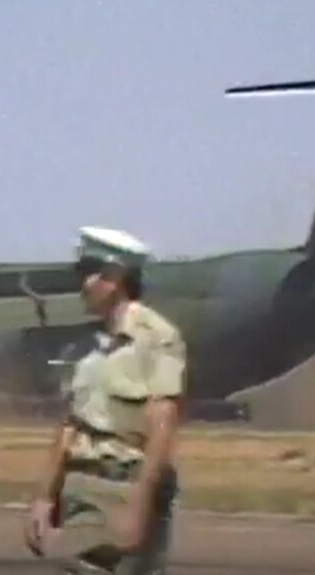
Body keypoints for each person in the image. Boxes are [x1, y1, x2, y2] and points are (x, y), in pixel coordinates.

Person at [24, 226, 186, 574]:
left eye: (89, 274)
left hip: (125, 484)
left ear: (115, 278)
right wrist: (43, 497)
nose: (82, 284)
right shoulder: (83, 346)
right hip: (81, 489)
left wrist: (139, 505)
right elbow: (70, 426)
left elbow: (162, 424)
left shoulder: (156, 339)